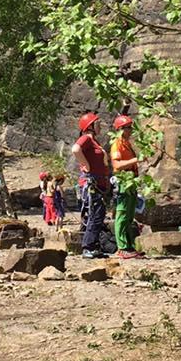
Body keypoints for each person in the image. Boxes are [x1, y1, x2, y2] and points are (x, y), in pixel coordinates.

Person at [72, 111, 110, 259]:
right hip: (91, 182)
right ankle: (88, 247)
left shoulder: (95, 142)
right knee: (96, 213)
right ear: (90, 126)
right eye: (98, 124)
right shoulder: (86, 138)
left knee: (96, 213)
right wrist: (85, 164)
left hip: (97, 182)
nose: (100, 126)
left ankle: (93, 245)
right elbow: (76, 149)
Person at [110, 114, 143, 259]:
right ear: (120, 129)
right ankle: (122, 247)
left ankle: (129, 246)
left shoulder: (127, 144)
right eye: (128, 128)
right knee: (122, 214)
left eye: (131, 127)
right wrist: (136, 160)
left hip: (131, 181)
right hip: (123, 181)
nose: (131, 130)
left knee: (129, 215)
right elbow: (116, 164)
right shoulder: (117, 144)